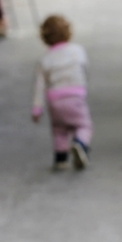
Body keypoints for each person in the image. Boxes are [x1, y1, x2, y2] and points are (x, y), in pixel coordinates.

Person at [31, 15, 93, 171]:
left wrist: (37, 109)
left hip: (55, 101)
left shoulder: (44, 59)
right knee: (83, 126)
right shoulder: (77, 51)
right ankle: (79, 144)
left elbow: (39, 86)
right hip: (75, 97)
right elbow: (85, 69)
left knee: (59, 130)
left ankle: (60, 159)